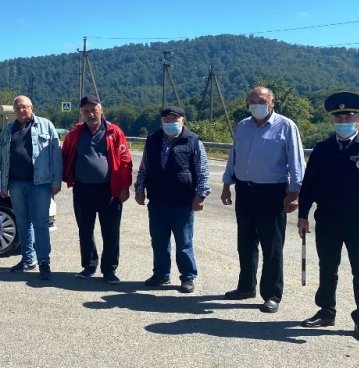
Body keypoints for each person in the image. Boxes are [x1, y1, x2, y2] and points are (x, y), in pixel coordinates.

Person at [297, 91, 359, 343]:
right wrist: (303, 215)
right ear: (333, 121)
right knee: (327, 267)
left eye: (349, 116)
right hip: (328, 218)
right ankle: (326, 311)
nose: (343, 121)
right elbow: (309, 184)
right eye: (339, 117)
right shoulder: (322, 148)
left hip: (358, 220)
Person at [221, 86, 305, 313]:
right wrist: (227, 184)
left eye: (261, 100)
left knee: (272, 246)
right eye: (251, 101)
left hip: (273, 193)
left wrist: (294, 193)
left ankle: (272, 294)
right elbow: (233, 155)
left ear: (272, 102)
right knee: (245, 243)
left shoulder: (286, 126)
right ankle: (246, 287)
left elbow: (296, 161)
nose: (256, 105)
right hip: (245, 191)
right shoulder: (242, 126)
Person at [134, 106, 210, 293]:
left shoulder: (192, 141)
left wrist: (200, 195)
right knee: (158, 241)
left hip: (182, 202)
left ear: (183, 121)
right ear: (161, 121)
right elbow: (144, 167)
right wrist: (139, 189)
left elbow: (202, 170)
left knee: (183, 242)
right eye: (166, 119)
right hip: (157, 201)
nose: (170, 122)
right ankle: (161, 274)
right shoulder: (153, 140)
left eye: (174, 119)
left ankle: (187, 277)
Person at [61, 96, 132, 284]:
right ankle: (89, 265)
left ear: (101, 110)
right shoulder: (75, 133)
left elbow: (125, 161)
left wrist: (125, 187)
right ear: (81, 112)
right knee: (85, 230)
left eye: (94, 109)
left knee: (110, 231)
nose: (90, 114)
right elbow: (65, 155)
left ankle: (109, 270)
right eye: (86, 110)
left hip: (109, 189)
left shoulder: (114, 132)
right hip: (82, 189)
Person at [0, 95, 62, 280]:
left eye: (24, 107)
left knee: (40, 223)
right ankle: (27, 259)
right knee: (23, 223)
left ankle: (44, 262)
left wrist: (57, 181)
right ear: (14, 111)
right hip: (15, 183)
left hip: (39, 183)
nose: (21, 111)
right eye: (17, 108)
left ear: (31, 107)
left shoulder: (46, 126)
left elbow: (56, 155)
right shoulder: (8, 130)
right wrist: (1, 183)